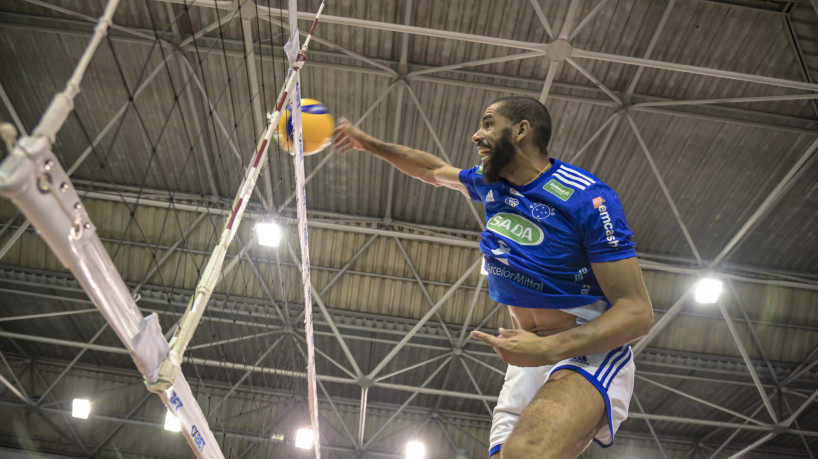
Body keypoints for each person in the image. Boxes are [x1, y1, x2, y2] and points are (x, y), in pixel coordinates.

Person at [332, 96, 653, 459]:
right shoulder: (490, 184)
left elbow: (638, 313)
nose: (475, 135)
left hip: (587, 351)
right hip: (527, 355)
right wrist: (366, 142)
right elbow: (431, 169)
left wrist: (549, 348)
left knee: (525, 452)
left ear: (521, 131)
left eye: (487, 124)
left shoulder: (589, 198)